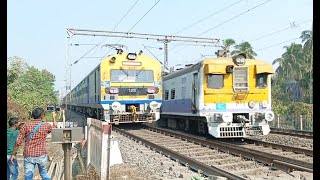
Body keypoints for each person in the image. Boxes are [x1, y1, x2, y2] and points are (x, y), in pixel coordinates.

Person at [10, 107, 57, 180]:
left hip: (29, 155)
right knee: (44, 173)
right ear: (41, 116)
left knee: (28, 176)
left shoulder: (26, 125)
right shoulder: (46, 125)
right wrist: (54, 118)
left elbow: (18, 142)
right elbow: (55, 128)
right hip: (41, 154)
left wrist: (13, 154)